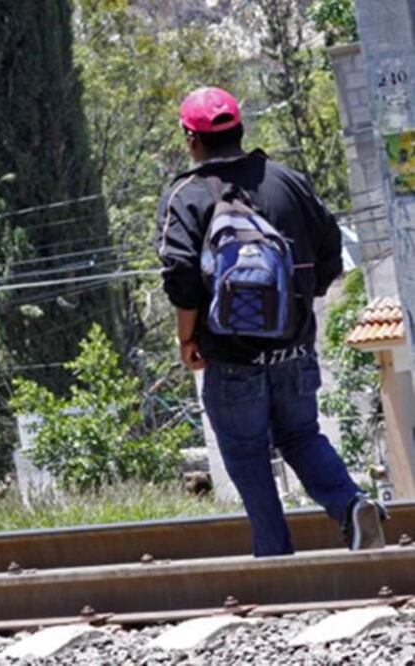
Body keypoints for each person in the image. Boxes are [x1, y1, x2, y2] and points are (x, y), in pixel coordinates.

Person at [155, 86, 386, 556]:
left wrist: (186, 339)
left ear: (190, 139)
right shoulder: (286, 180)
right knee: (302, 435)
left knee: (246, 456)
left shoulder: (186, 194)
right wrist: (297, 305)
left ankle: (275, 557)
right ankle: (350, 504)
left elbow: (181, 277)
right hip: (294, 350)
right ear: (240, 129)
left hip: (230, 356)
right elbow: (329, 254)